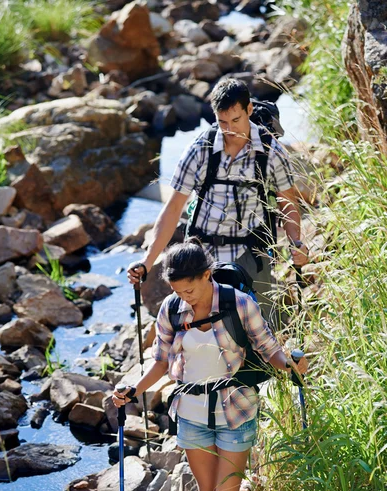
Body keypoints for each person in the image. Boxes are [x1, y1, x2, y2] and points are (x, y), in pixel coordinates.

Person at [113, 238, 308, 491]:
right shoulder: (171, 309)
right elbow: (159, 360)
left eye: (190, 289)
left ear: (208, 275)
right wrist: (132, 388)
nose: (185, 297)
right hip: (191, 413)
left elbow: (268, 349)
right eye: (177, 290)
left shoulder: (239, 303)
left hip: (236, 408)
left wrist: (291, 367)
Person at [127, 77, 309, 321]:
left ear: (249, 110)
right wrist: (147, 262)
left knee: (261, 333)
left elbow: (288, 202)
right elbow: (173, 209)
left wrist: (296, 241)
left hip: (252, 253)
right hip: (203, 255)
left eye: (236, 120)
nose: (230, 129)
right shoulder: (200, 150)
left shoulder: (270, 151)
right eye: (222, 122)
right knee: (202, 332)